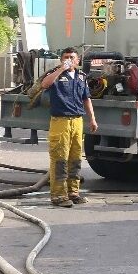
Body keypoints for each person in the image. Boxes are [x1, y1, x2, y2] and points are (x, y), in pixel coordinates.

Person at [38, 47, 97, 207]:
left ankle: (73, 192)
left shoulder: (81, 77)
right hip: (60, 121)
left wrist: (92, 119)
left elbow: (86, 99)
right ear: (61, 59)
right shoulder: (56, 76)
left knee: (75, 159)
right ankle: (58, 195)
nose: (69, 59)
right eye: (66, 57)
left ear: (78, 61)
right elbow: (44, 84)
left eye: (72, 57)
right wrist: (60, 70)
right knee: (60, 160)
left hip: (77, 121)